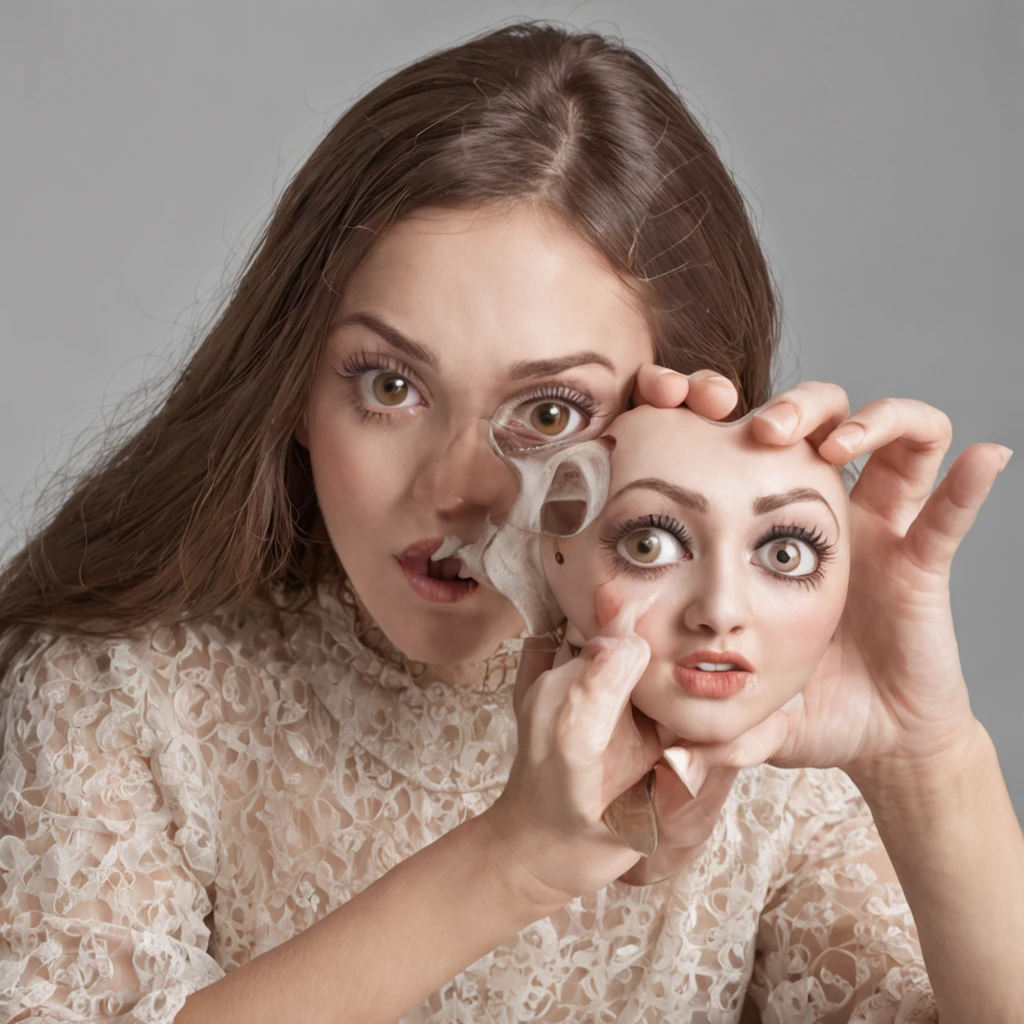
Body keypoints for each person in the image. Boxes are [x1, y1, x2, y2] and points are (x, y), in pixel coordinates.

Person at [0, 20, 1019, 1024]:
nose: (458, 487)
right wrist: (514, 859)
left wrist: (928, 762)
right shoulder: (118, 696)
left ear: (679, 417)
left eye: (549, 414)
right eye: (389, 384)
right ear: (297, 394)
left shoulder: (749, 726)